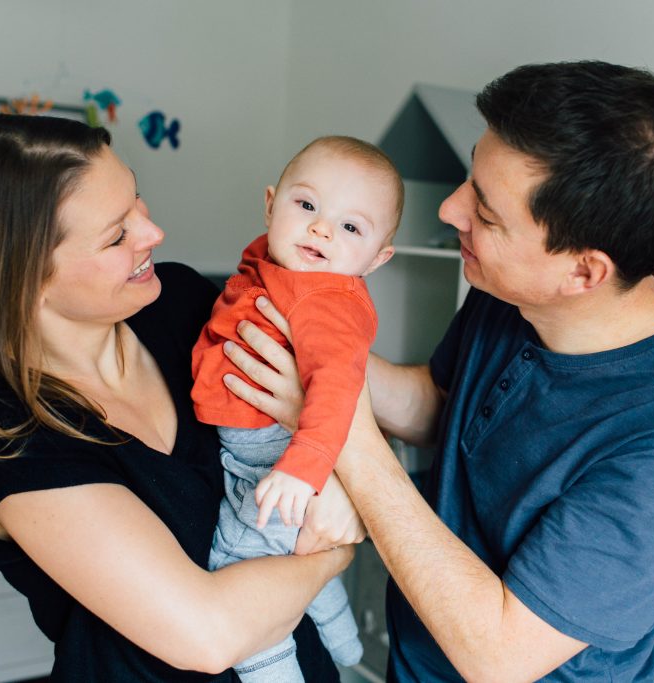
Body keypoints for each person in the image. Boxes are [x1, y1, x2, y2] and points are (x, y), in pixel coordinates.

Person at [225, 61, 654, 682]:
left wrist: (342, 435)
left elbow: (501, 656)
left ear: (582, 273)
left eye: (487, 214)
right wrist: (323, 361)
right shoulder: (514, 289)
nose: (450, 210)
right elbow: (443, 407)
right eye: (471, 178)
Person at [0, 112, 365, 682]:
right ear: (20, 275)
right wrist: (335, 547)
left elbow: (338, 384)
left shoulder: (187, 305)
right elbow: (208, 633)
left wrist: (342, 475)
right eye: (117, 234)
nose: (152, 233)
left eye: (137, 201)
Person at [191, 136, 401, 681]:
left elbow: (337, 387)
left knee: (240, 572)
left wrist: (302, 470)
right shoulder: (277, 264)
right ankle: (345, 645)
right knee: (297, 557)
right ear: (271, 203)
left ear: (377, 259)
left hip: (279, 459)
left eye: (351, 228)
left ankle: (276, 666)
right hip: (259, 452)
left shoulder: (325, 296)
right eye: (306, 205)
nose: (321, 229)